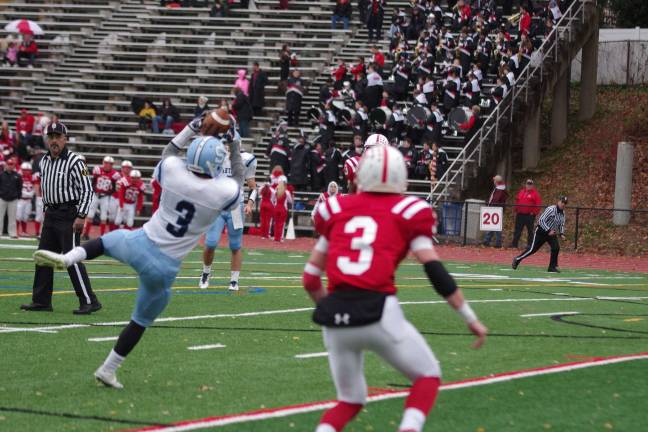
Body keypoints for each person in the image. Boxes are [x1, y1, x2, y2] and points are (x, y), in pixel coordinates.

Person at [33, 121, 243, 389]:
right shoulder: (220, 192)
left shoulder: (173, 171)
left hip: (140, 242)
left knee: (108, 240)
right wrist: (234, 144)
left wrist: (193, 126)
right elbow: (237, 178)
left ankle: (68, 257)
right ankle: (108, 369)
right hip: (165, 268)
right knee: (140, 320)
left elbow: (170, 150)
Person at [304, 145, 487, 432]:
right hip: (380, 310)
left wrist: (331, 307)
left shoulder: (336, 209)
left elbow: (310, 279)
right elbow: (434, 270)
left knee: (349, 401)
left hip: (335, 314)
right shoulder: (409, 211)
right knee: (428, 375)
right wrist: (469, 317)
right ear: (401, 177)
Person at [21, 122, 101, 314]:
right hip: (51, 215)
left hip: (69, 215)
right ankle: (41, 301)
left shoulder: (75, 161)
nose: (54, 140)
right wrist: (46, 209)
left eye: (58, 137)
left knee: (71, 258)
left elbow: (87, 191)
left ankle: (89, 301)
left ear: (65, 139)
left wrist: (81, 216)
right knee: (43, 258)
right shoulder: (44, 161)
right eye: (51, 137)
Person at [199, 136, 257, 291]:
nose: (227, 146)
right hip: (217, 206)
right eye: (225, 143)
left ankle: (234, 280)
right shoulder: (216, 159)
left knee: (235, 245)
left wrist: (250, 204)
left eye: (230, 143)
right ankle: (205, 272)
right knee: (210, 243)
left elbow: (253, 187)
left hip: (236, 208)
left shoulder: (247, 160)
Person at [513, 196, 568, 273]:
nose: (563, 204)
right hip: (541, 231)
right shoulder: (551, 209)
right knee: (532, 249)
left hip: (551, 233)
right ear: (558, 201)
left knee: (556, 248)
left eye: (565, 203)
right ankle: (517, 259)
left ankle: (552, 267)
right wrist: (548, 230)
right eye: (562, 202)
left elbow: (561, 224)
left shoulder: (563, 213)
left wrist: (562, 233)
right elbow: (541, 220)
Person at [83, 156, 121, 239]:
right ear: (103, 163)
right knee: (90, 215)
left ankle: (102, 235)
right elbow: (93, 182)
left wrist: (107, 193)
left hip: (105, 197)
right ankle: (86, 234)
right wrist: (94, 191)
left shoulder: (115, 174)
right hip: (96, 195)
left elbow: (114, 188)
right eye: (106, 163)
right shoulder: (97, 170)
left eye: (109, 164)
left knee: (103, 216)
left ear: (112, 165)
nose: (107, 165)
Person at [511, 179, 542, 249]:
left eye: (530, 184)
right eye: (528, 184)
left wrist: (533, 213)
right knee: (517, 230)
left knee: (530, 230)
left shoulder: (535, 194)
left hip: (529, 215)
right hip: (520, 214)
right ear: (526, 184)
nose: (529, 185)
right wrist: (515, 209)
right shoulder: (522, 191)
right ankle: (514, 244)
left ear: (532, 185)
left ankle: (530, 245)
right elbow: (517, 201)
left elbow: (538, 205)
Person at [482, 175, 508, 248]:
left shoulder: (500, 190)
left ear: (496, 181)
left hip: (496, 210)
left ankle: (497, 243)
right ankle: (487, 241)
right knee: (492, 226)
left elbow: (495, 200)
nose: (493, 181)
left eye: (494, 180)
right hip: (495, 210)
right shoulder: (499, 189)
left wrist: (490, 206)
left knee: (496, 227)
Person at [0, 158, 21, 238]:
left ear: (14, 166)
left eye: (11, 165)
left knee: (12, 217)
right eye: (9, 164)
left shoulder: (17, 176)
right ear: (6, 165)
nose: (10, 166)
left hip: (13, 199)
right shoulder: (1, 175)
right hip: (2, 198)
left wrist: (18, 196)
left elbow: (20, 187)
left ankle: (12, 233)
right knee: (0, 216)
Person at [16, 161, 39, 237]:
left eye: (27, 170)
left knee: (25, 216)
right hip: (20, 199)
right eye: (24, 170)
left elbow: (35, 187)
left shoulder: (32, 177)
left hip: (28, 200)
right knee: (18, 216)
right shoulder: (19, 177)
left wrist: (31, 194)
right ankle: (16, 231)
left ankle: (24, 231)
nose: (26, 171)